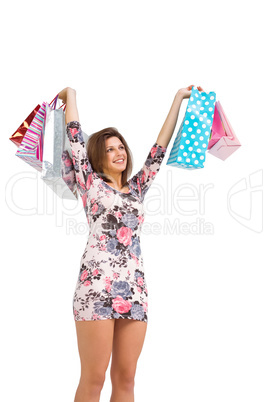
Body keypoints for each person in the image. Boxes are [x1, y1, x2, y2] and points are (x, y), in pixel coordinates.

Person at [58, 84, 203, 402]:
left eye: (120, 146)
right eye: (109, 149)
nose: (119, 152)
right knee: (93, 379)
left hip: (133, 288)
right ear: (98, 156)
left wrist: (178, 99)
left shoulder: (137, 187)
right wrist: (71, 96)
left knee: (126, 379)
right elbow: (74, 138)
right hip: (95, 287)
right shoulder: (90, 182)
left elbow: (158, 151)